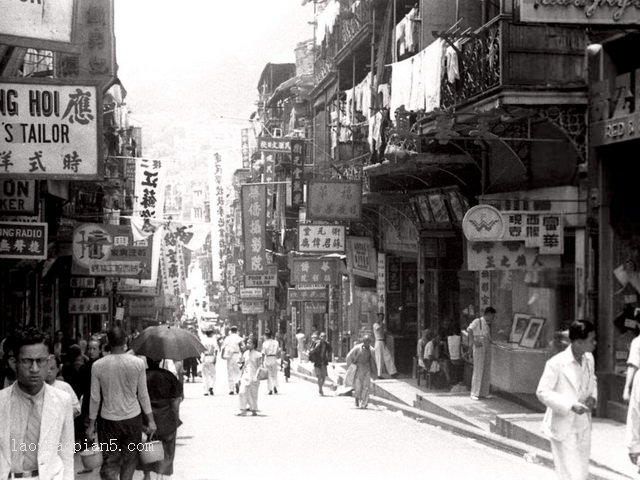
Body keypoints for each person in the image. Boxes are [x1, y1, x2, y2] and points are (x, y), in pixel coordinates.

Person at [0, 328, 74, 480]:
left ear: (49, 361)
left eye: (40, 361)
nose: (34, 369)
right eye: (27, 361)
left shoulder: (62, 400)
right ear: (14, 363)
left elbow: (66, 452)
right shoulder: (1, 402)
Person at [87, 326, 157, 480]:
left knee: (110, 459)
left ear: (108, 342)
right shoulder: (137, 363)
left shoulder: (98, 365)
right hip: (133, 419)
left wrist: (91, 425)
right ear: (125, 341)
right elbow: (143, 395)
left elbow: (95, 398)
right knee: (130, 457)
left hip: (108, 421)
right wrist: (151, 420)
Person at [536, 320, 597, 480]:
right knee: (571, 474)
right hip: (563, 426)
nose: (595, 343)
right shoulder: (556, 363)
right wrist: (570, 405)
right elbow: (542, 392)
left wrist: (593, 397)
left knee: (582, 473)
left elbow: (593, 380)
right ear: (578, 342)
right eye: (591, 340)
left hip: (583, 424)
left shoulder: (589, 359)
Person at [138, 358, 183, 480]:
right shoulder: (168, 376)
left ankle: (147, 475)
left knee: (145, 446)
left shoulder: (141, 376)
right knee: (166, 449)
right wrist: (175, 415)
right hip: (166, 418)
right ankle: (160, 475)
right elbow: (177, 399)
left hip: (145, 418)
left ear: (147, 360)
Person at [466, 306, 496, 400]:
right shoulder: (477, 321)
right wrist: (473, 342)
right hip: (479, 343)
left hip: (486, 343)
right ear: (488, 314)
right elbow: (469, 330)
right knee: (478, 368)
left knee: (486, 367)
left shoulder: (487, 324)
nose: (493, 318)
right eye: (492, 316)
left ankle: (484, 392)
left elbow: (487, 335)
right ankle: (474, 392)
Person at [346, 335, 377, 409]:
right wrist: (350, 367)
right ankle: (357, 398)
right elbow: (349, 356)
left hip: (367, 369)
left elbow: (374, 361)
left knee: (366, 387)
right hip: (358, 369)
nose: (367, 343)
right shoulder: (357, 348)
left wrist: (374, 371)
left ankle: (364, 403)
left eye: (368, 342)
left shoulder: (372, 350)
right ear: (363, 341)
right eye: (366, 341)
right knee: (358, 386)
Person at [623, 329, 640, 465]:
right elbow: (633, 366)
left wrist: (626, 388)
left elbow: (633, 366)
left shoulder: (637, 341)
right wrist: (627, 388)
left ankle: (635, 450)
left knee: (636, 416)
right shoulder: (637, 342)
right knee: (636, 415)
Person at [237, 337, 262, 416]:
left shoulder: (258, 355)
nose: (247, 344)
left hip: (254, 376)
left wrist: (256, 376)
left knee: (253, 394)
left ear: (254, 345)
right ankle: (242, 409)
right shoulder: (245, 353)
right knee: (242, 392)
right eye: (247, 343)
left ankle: (254, 409)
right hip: (246, 375)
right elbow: (243, 364)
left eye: (249, 343)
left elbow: (259, 366)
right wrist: (240, 376)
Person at [373, 312, 397, 378]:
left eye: (382, 318)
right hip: (378, 341)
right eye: (380, 317)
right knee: (379, 358)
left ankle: (392, 372)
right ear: (378, 318)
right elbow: (380, 330)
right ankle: (379, 374)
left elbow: (385, 332)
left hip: (383, 342)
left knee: (388, 356)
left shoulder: (383, 324)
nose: (382, 319)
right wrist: (381, 323)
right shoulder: (375, 325)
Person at [221, 326, 244, 395]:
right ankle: (237, 381)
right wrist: (243, 355)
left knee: (230, 372)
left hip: (229, 356)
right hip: (237, 355)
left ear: (230, 331)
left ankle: (231, 389)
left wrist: (222, 356)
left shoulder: (227, 338)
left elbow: (223, 348)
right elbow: (242, 348)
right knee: (238, 371)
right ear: (237, 331)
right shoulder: (239, 338)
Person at [308, 332, 332, 396]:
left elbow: (330, 352)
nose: (323, 338)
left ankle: (320, 387)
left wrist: (332, 361)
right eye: (321, 336)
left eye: (324, 336)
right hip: (317, 362)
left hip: (324, 362)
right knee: (319, 377)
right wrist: (315, 349)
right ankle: (320, 389)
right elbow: (311, 350)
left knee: (323, 377)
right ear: (320, 337)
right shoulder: (316, 343)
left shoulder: (327, 344)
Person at [262, 329, 280, 395]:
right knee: (274, 374)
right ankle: (275, 386)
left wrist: (262, 362)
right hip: (274, 358)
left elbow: (263, 353)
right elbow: (278, 351)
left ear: (266, 336)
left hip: (267, 358)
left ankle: (270, 389)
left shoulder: (265, 343)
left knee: (269, 375)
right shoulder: (276, 342)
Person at [201, 330, 218, 396]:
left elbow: (200, 350)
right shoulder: (213, 340)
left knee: (205, 375)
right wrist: (215, 358)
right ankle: (211, 386)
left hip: (205, 357)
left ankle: (205, 391)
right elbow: (216, 350)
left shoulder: (203, 341)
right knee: (213, 374)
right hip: (211, 357)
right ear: (211, 334)